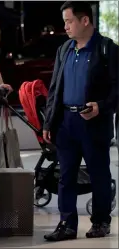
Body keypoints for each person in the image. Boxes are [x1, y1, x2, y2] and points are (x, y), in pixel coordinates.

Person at [43, 1, 118, 241]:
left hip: (94, 123)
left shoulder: (107, 49)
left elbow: (118, 88)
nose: (65, 26)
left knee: (98, 175)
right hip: (66, 122)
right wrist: (48, 122)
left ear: (85, 20)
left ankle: (100, 222)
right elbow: (54, 88)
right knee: (66, 176)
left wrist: (102, 107)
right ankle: (66, 225)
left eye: (69, 21)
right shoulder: (64, 49)